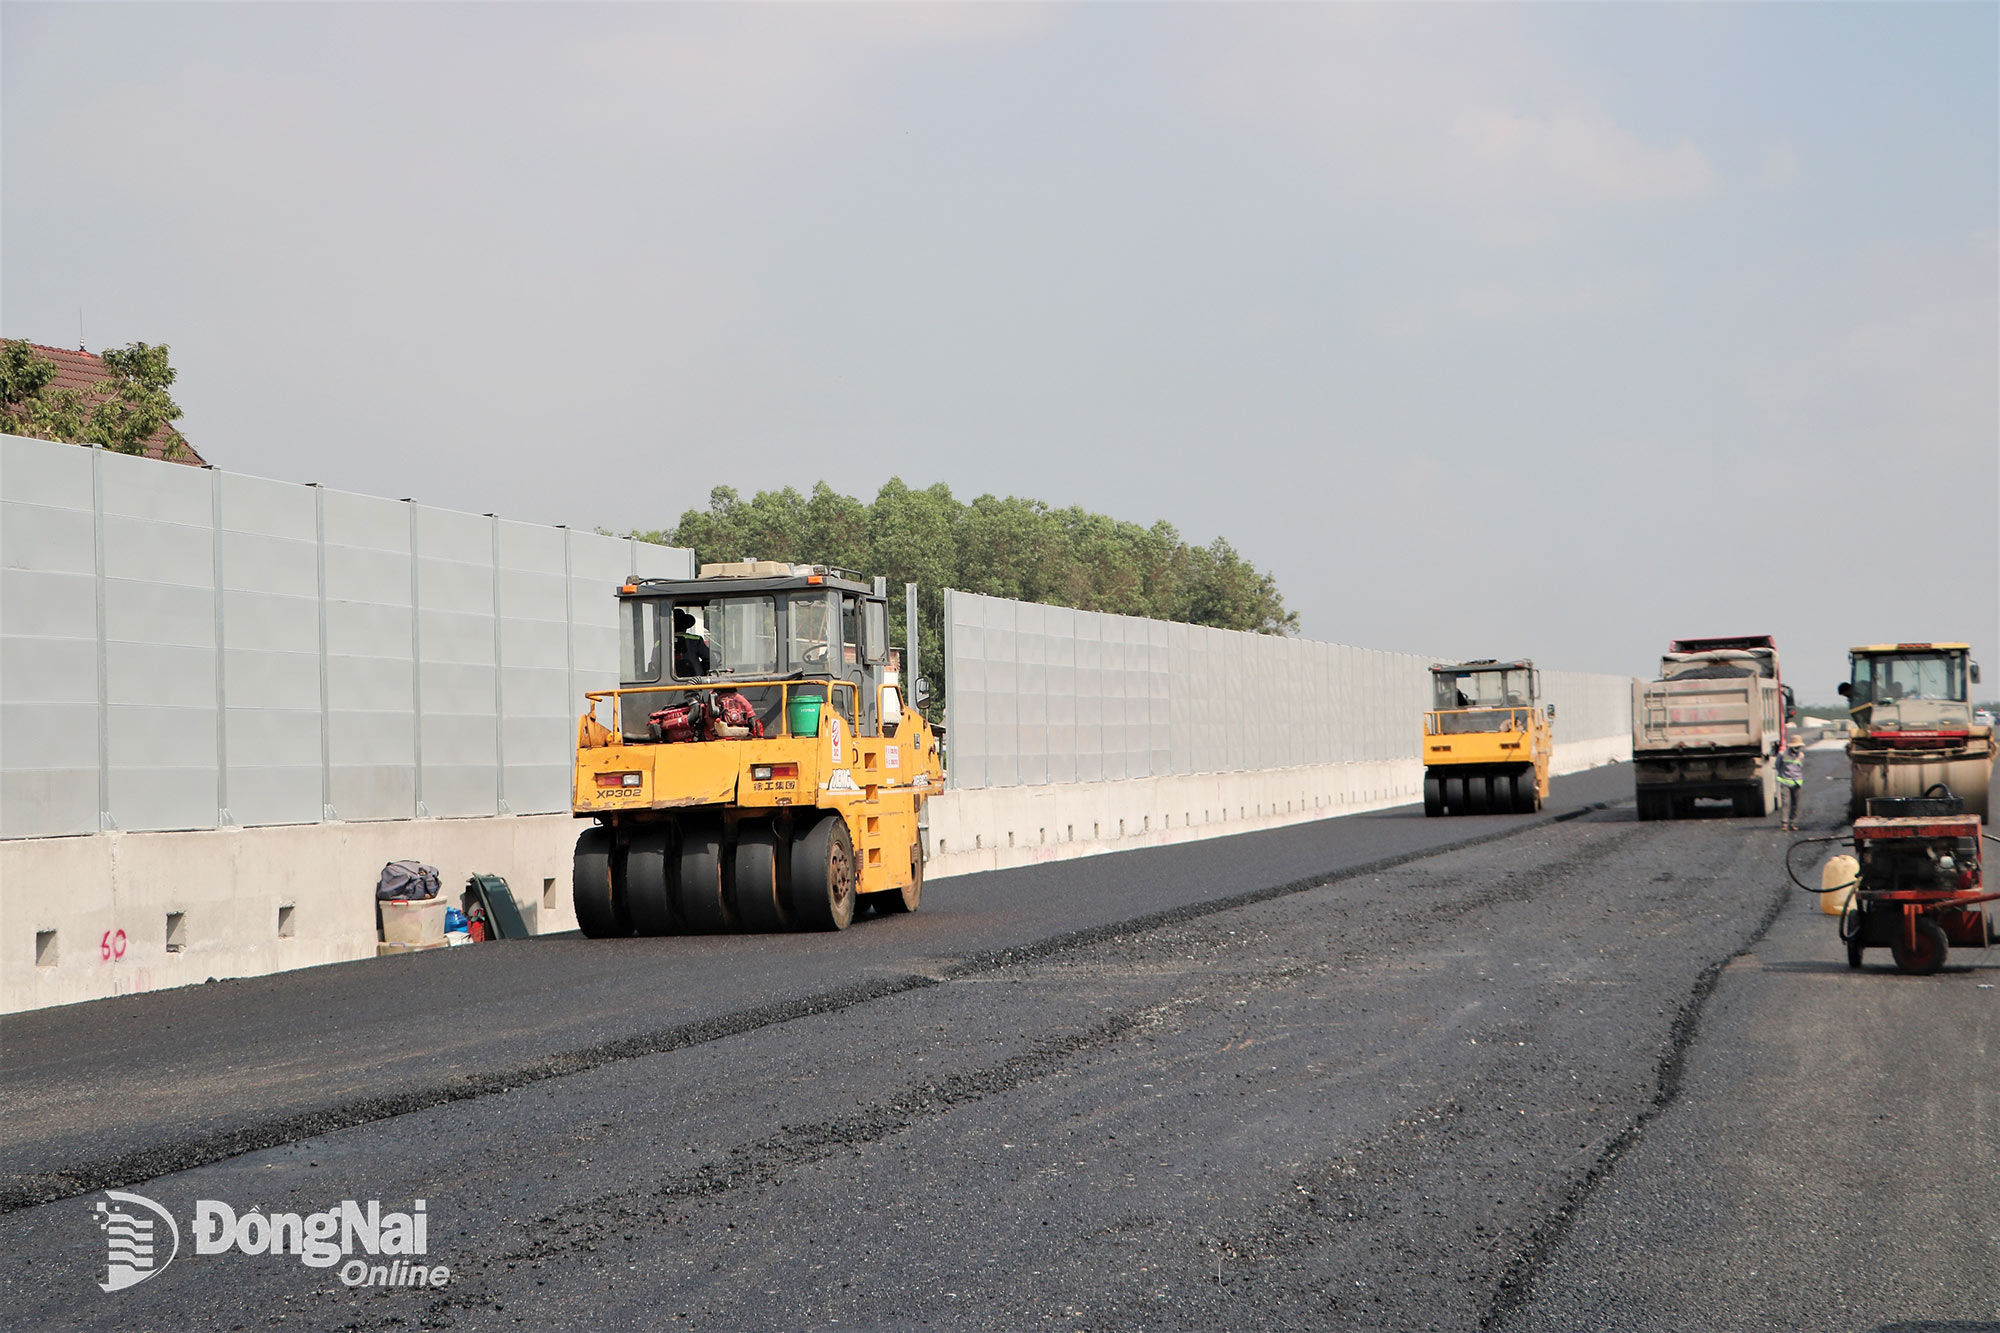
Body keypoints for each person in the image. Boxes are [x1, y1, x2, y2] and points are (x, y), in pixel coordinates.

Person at [672, 607, 713, 678]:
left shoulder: (659, 643)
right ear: (686, 626)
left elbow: (655, 663)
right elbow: (709, 659)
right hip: (696, 682)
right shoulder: (696, 640)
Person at [1776, 735, 1805, 830]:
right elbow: (1778, 765)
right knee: (1786, 803)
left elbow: (1801, 767)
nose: (1797, 749)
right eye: (1796, 747)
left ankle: (1793, 823)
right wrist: (1783, 775)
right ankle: (1784, 823)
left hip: (1797, 782)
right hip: (1785, 781)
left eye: (1798, 747)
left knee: (1795, 804)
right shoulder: (1783, 754)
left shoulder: (1801, 755)